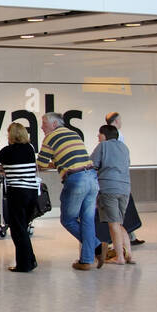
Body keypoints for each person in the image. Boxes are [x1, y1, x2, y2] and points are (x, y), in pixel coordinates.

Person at [38, 112, 100, 270]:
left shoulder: (50, 137)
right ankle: (87, 260)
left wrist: (52, 164)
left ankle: (97, 246)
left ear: (54, 124)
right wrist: (57, 163)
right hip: (92, 176)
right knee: (87, 219)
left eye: (44, 124)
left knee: (68, 219)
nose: (42, 127)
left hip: (76, 179)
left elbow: (41, 164)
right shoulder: (74, 134)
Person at [0, 122, 39, 272]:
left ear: (11, 135)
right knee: (23, 227)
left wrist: (3, 166)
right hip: (32, 192)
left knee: (18, 230)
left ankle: (24, 265)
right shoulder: (30, 148)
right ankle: (30, 260)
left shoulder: (7, 151)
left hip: (17, 192)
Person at [91, 125, 133, 266]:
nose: (98, 137)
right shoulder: (124, 147)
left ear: (105, 135)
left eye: (99, 134)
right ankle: (129, 255)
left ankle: (119, 257)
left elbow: (92, 164)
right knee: (119, 223)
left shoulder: (102, 147)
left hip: (109, 188)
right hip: (125, 188)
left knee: (113, 224)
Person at [105, 112, 144, 246]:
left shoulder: (108, 134)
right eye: (120, 120)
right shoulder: (116, 135)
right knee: (120, 210)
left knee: (118, 211)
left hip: (114, 179)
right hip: (118, 179)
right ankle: (127, 236)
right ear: (115, 121)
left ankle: (128, 235)